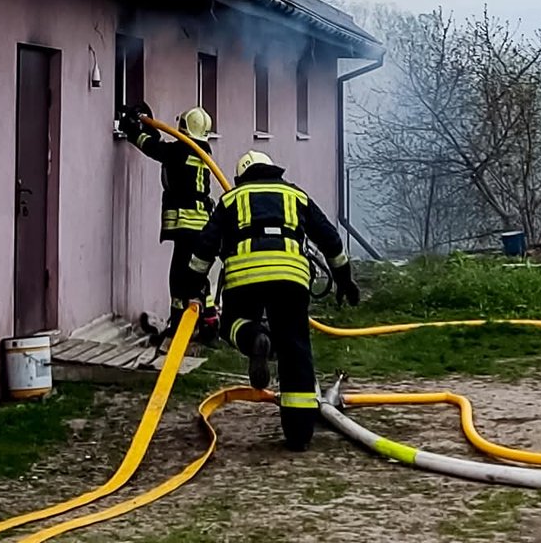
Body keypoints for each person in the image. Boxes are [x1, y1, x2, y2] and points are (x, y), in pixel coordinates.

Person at [186, 149, 360, 450]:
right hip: (290, 277)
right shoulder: (295, 196)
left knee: (233, 323)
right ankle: (299, 433)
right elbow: (330, 237)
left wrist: (192, 286)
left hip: (245, 277)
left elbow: (205, 247)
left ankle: (254, 338)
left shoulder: (231, 200)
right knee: (294, 346)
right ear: (273, 171)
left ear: (241, 178)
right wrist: (344, 279)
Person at [117, 101, 221, 343]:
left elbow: (155, 149)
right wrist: (148, 125)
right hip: (202, 222)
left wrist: (132, 131)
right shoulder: (201, 150)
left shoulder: (181, 151)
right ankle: (209, 323)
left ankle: (177, 322)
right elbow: (167, 149)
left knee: (179, 275)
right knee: (197, 275)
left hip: (186, 223)